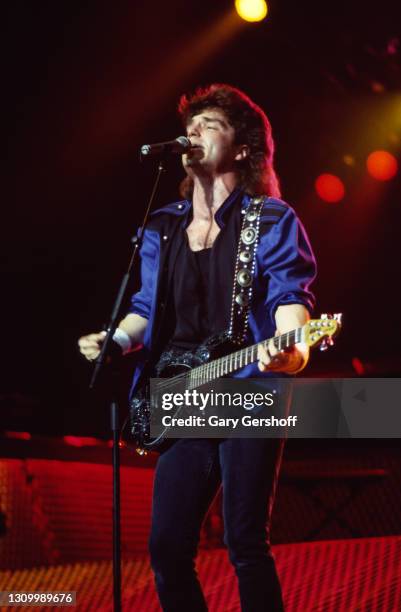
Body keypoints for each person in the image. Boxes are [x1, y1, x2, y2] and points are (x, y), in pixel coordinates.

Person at [78, 84, 316, 611]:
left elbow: (289, 297)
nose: (195, 132)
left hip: (250, 389)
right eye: (192, 125)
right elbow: (146, 308)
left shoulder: (272, 219)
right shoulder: (162, 226)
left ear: (242, 149)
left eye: (211, 125)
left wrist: (292, 348)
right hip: (184, 392)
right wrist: (114, 339)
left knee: (245, 542)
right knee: (166, 546)